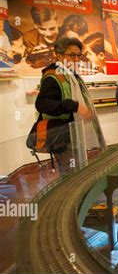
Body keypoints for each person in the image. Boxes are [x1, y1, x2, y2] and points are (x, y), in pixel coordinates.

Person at [35, 36, 106, 175]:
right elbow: (42, 104)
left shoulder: (71, 75)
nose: (77, 60)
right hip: (63, 135)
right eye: (72, 55)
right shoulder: (53, 76)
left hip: (74, 134)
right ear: (59, 55)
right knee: (70, 175)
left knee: (78, 172)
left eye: (78, 55)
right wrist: (74, 106)